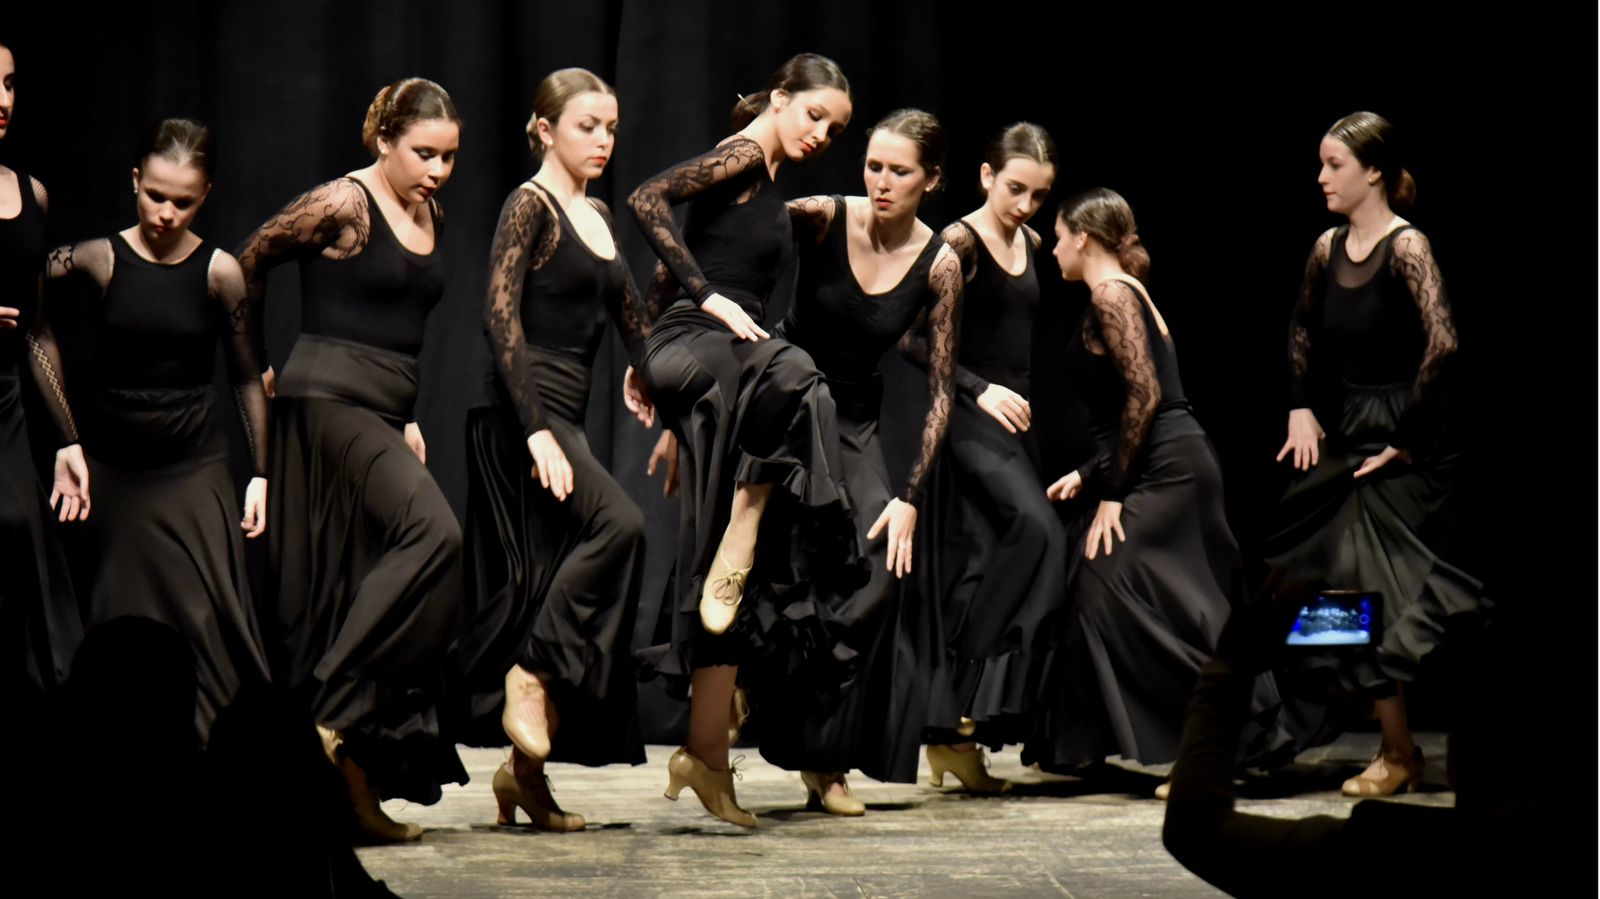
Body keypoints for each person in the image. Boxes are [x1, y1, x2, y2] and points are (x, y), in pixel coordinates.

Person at [626, 52, 856, 828]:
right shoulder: (746, 152)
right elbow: (646, 198)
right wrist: (704, 302)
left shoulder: (766, 178)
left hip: (724, 361)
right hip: (708, 344)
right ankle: (748, 523)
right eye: (814, 114)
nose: (822, 133)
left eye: (835, 128)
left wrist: (658, 376)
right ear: (782, 99)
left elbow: (681, 242)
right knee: (797, 371)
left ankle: (705, 752)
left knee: (728, 571)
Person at [235, 76, 467, 841]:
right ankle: (328, 708)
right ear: (384, 141)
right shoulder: (343, 202)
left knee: (370, 587)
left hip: (382, 412)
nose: (437, 170)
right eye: (424, 153)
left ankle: (352, 795)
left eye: (448, 156)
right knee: (435, 534)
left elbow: (403, 323)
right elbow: (246, 264)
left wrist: (401, 418)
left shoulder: (430, 208)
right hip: (325, 402)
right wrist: (257, 369)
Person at [455, 67, 651, 832]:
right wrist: (534, 425)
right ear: (544, 129)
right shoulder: (528, 205)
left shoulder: (596, 214)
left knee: (560, 590)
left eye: (610, 127)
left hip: (564, 410)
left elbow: (635, 318)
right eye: (586, 126)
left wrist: (657, 384)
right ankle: (530, 673)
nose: (603, 140)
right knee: (621, 524)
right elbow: (498, 318)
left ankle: (524, 780)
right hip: (518, 410)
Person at [33, 118, 270, 740]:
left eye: (183, 201)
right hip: (117, 471)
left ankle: (219, 766)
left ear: (206, 195)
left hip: (195, 465)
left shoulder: (221, 273)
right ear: (135, 180)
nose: (166, 213)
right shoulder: (98, 257)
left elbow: (247, 378)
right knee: (117, 621)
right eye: (154, 195)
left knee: (206, 619)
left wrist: (261, 475)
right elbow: (25, 280)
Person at [757, 108, 961, 813]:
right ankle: (740, 737)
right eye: (873, 165)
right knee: (770, 567)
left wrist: (908, 494)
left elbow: (940, 390)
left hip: (852, 419)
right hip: (785, 400)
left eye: (898, 171)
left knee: (876, 572)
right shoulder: (818, 216)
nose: (879, 181)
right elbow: (731, 247)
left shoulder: (941, 263)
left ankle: (826, 754)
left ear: (931, 180)